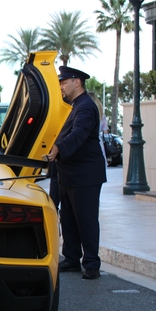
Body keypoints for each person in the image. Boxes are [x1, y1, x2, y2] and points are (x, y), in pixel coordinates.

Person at [46, 66, 107, 280]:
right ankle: (72, 259)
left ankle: (91, 264)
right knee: (69, 219)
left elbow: (79, 133)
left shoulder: (86, 107)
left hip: (85, 175)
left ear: (77, 82)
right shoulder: (73, 106)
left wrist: (60, 148)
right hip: (68, 173)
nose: (61, 86)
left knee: (86, 220)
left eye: (64, 82)